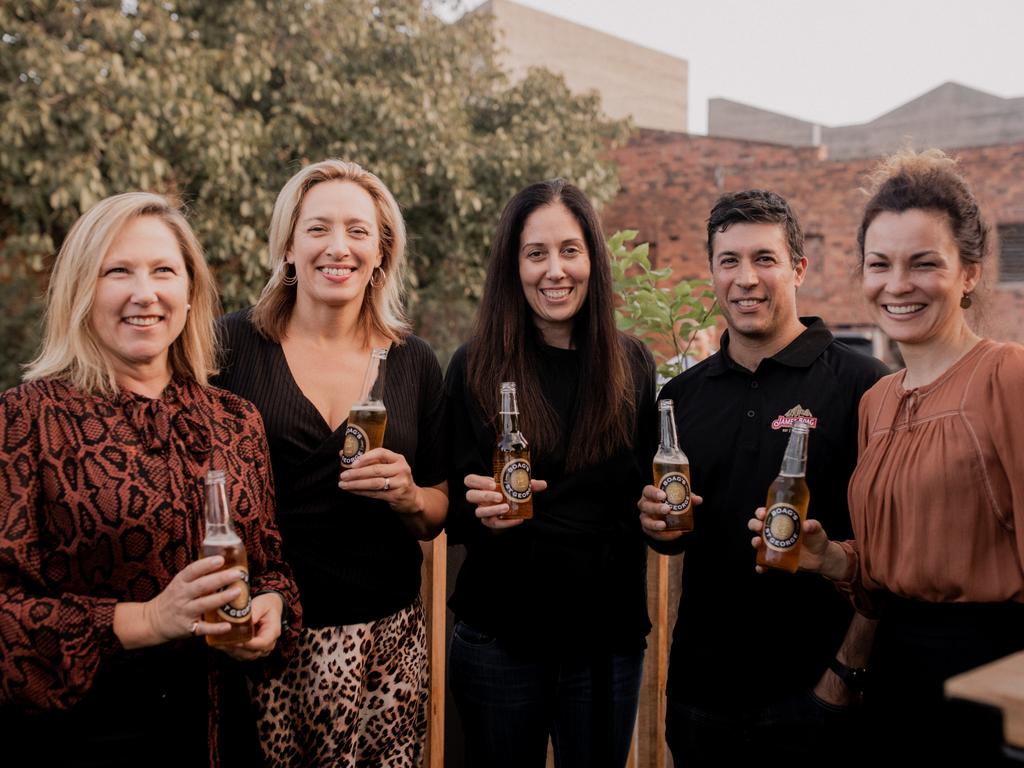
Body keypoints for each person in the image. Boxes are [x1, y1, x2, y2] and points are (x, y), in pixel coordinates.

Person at [0, 192, 299, 766]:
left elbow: (273, 567)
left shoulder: (234, 420)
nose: (145, 293)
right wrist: (147, 620)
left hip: (221, 733)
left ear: (190, 294)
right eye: (118, 271)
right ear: (82, 291)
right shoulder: (25, 418)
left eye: (164, 270)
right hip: (87, 736)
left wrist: (272, 607)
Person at [749, 150, 1024, 762]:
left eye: (924, 264)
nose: (897, 285)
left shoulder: (1007, 375)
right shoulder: (876, 401)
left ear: (970, 273)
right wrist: (830, 558)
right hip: (892, 678)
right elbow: (885, 570)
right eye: (880, 264)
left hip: (991, 675)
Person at [639, 190, 888, 766]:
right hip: (701, 695)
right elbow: (675, 527)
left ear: (798, 268)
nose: (746, 278)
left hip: (815, 694)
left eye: (764, 259)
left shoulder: (864, 385)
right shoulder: (682, 396)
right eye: (729, 261)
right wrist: (654, 523)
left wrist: (843, 674)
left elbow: (889, 550)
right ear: (712, 272)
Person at [214, 159, 447, 766]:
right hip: (263, 637)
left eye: (358, 231)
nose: (337, 247)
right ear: (288, 247)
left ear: (381, 252)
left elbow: (435, 512)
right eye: (317, 229)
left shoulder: (415, 361)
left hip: (386, 642)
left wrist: (408, 496)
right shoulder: (227, 347)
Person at [445, 179, 656, 768]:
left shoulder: (632, 365)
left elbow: (643, 503)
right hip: (500, 640)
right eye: (535, 253)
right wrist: (479, 506)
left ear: (593, 258)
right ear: (512, 266)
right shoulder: (474, 366)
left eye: (570, 250)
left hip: (604, 643)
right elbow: (454, 511)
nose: (554, 270)